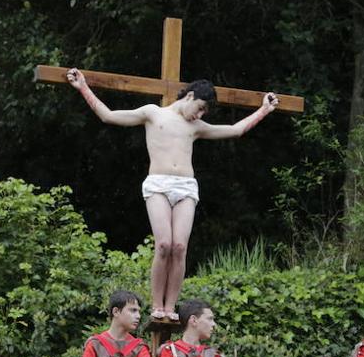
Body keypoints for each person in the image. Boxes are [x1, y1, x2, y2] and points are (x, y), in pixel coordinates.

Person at [65, 68, 279, 323]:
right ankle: (157, 305)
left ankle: (170, 307)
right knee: (164, 244)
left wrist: (264, 110)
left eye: (203, 113)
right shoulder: (153, 114)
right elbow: (108, 116)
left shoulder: (196, 127)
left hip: (186, 186)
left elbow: (235, 130)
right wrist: (83, 87)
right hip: (158, 184)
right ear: (189, 96)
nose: (199, 115)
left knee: (180, 247)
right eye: (199, 108)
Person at [79, 290, 151, 357]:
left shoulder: (140, 348)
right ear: (116, 311)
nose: (138, 316)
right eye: (133, 310)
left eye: (139, 312)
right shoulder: (94, 344)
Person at [156, 298, 229, 357]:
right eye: (209, 319)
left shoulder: (211, 353)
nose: (214, 324)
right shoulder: (169, 350)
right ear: (194, 320)